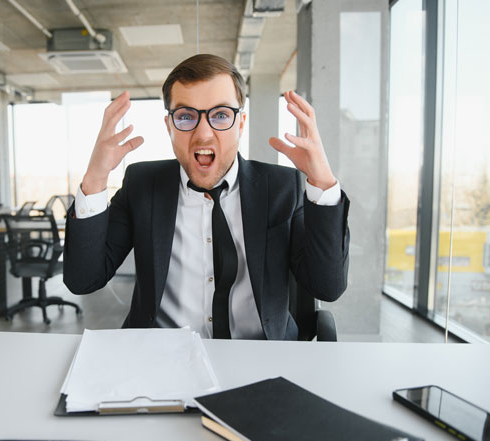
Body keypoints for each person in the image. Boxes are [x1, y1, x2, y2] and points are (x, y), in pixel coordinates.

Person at [63, 54, 349, 340]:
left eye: (221, 115)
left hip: (260, 355)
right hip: (160, 355)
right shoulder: (142, 184)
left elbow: (328, 287)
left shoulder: (280, 187)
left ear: (240, 123)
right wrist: (95, 179)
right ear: (169, 126)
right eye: (186, 116)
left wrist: (322, 181)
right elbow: (83, 279)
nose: (203, 134)